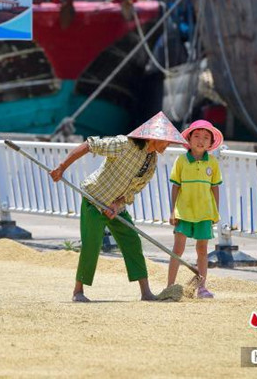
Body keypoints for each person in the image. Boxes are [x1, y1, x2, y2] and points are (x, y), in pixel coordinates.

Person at [49, 112, 188, 302]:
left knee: (132, 241)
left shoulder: (151, 161)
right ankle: (78, 291)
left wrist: (117, 204)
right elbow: (90, 145)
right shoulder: (124, 144)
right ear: (153, 137)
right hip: (94, 200)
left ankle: (146, 293)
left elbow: (134, 189)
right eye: (166, 141)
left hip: (115, 207)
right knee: (92, 244)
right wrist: (62, 167)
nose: (168, 145)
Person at [166, 119, 224, 299]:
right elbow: (175, 186)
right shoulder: (181, 160)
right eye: (197, 136)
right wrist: (172, 211)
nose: (201, 140)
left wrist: (216, 211)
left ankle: (202, 287)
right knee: (178, 249)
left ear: (211, 142)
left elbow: (215, 187)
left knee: (202, 250)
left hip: (204, 212)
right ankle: (170, 286)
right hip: (183, 211)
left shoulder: (212, 162)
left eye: (206, 137)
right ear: (189, 139)